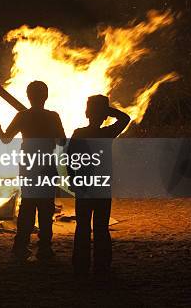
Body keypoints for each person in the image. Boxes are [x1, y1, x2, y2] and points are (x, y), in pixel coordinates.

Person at [0, 81, 66, 260]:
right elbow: (62, 142)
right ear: (45, 96)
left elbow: (6, 140)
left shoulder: (22, 116)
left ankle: (21, 246)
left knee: (27, 207)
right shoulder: (53, 116)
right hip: (47, 164)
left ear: (28, 96)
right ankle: (45, 248)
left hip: (29, 166)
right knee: (46, 208)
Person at [69, 95, 130, 275]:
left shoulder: (79, 133)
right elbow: (125, 119)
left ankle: (80, 266)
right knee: (101, 227)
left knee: (82, 226)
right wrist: (107, 110)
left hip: (84, 186)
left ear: (86, 113)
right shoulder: (106, 133)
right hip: (102, 186)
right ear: (104, 116)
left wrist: (73, 180)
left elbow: (69, 159)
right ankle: (101, 266)